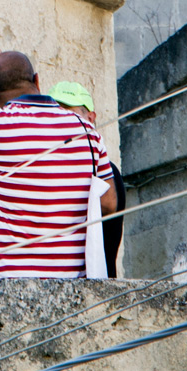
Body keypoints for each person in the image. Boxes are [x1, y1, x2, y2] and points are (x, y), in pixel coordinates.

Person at [0, 46, 116, 280]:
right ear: (37, 80)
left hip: (10, 287)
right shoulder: (86, 131)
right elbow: (108, 204)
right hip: (72, 289)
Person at [48, 80, 126, 278]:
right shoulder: (47, 168)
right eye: (54, 114)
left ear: (91, 118)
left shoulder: (107, 173)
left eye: (70, 114)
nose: (62, 122)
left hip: (94, 289)